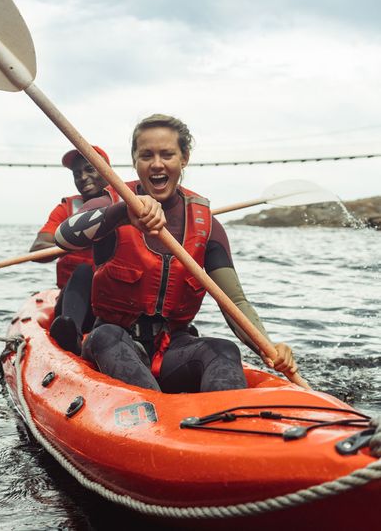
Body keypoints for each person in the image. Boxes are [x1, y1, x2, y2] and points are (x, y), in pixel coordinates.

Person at [54, 114, 298, 393]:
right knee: (106, 337)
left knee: (223, 349)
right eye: (146, 155)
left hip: (173, 348)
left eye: (167, 154)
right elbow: (64, 236)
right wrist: (122, 213)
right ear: (135, 160)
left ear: (184, 158)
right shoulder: (111, 203)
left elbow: (235, 303)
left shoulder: (207, 226)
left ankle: (226, 426)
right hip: (113, 339)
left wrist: (268, 347)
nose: (157, 164)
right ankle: (150, 419)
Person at [30, 145, 111, 352]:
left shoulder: (129, 204)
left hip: (114, 305)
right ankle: (69, 333)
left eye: (89, 169)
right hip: (77, 306)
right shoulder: (65, 210)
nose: (82, 177)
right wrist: (74, 239)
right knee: (84, 271)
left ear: (106, 171)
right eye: (77, 174)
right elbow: (38, 249)